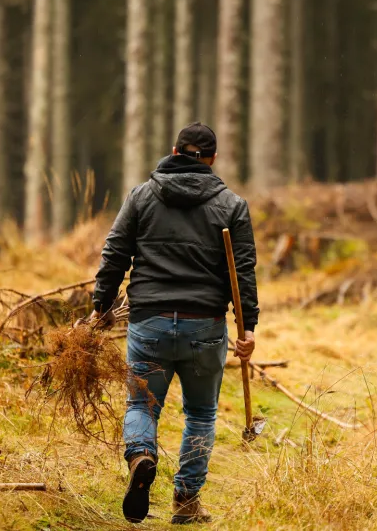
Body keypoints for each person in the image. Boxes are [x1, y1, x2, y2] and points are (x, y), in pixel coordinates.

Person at [90, 122, 259, 525]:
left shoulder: (142, 197)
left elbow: (115, 253)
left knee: (141, 404)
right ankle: (185, 502)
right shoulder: (232, 205)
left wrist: (101, 304)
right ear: (213, 159)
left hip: (150, 322)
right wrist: (248, 326)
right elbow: (244, 270)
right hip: (206, 327)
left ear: (174, 150)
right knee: (201, 414)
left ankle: (142, 455)